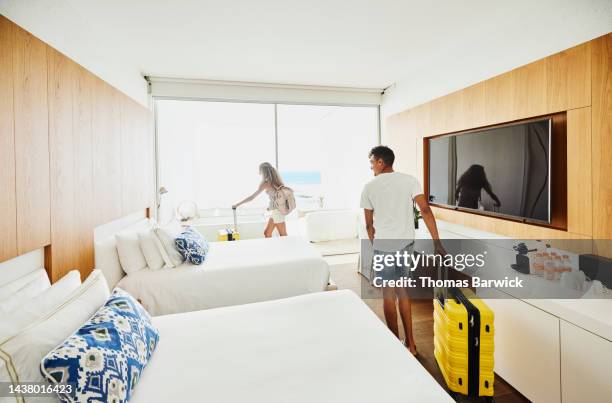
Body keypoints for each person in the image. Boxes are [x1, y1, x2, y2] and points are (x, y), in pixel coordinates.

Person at [360, 145, 445, 356]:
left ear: (380, 162)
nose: (371, 167)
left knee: (388, 294)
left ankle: (396, 346)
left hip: (384, 246)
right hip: (405, 245)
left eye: (372, 162)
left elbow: (369, 225)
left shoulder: (369, 187)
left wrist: (375, 244)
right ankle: (412, 345)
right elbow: (425, 210)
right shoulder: (409, 180)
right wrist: (437, 242)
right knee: (402, 290)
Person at [232, 162, 288, 237]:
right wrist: (270, 207)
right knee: (267, 233)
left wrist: (237, 204)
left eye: (260, 171)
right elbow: (276, 197)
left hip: (278, 212)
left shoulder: (265, 183)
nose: (259, 173)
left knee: (283, 235)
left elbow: (251, 197)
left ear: (264, 171)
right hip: (277, 211)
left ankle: (287, 248)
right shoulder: (276, 181)